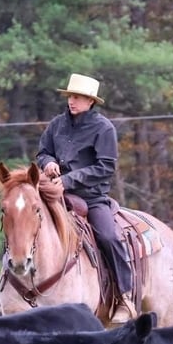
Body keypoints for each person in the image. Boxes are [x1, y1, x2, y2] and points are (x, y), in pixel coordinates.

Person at [36, 73, 136, 323]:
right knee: (26, 221)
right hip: (54, 193)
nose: (72, 101)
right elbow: (43, 152)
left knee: (109, 237)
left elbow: (106, 167)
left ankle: (125, 297)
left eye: (78, 97)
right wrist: (48, 163)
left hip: (91, 198)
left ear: (91, 101)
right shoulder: (57, 124)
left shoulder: (104, 128)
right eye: (70, 96)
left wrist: (68, 180)